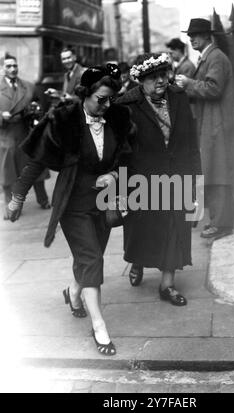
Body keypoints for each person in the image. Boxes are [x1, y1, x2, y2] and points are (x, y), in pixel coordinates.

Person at [7, 65, 134, 356]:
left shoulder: (117, 118)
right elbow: (36, 162)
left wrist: (115, 176)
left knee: (92, 257)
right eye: (101, 99)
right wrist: (17, 197)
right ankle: (99, 327)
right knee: (90, 259)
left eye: (111, 98)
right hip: (73, 205)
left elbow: (127, 158)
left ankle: (73, 293)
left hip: (104, 203)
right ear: (84, 95)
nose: (107, 104)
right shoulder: (64, 119)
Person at [118, 53, 202, 306]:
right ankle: (138, 259)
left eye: (163, 74)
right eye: (153, 77)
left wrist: (194, 180)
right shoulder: (127, 105)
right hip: (141, 178)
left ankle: (167, 284)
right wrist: (122, 189)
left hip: (177, 174)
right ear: (140, 81)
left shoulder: (178, 97)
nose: (161, 81)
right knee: (142, 228)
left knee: (176, 225)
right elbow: (121, 150)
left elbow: (189, 140)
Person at [176, 19, 234, 240]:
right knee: (215, 171)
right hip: (213, 123)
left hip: (218, 125)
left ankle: (221, 223)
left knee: (219, 172)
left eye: (196, 34)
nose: (191, 38)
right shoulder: (210, 57)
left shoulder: (214, 58)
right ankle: (218, 221)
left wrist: (188, 84)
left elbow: (214, 88)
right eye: (190, 35)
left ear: (207, 35)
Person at [0, 53, 50, 220]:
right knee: (8, 174)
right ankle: (11, 206)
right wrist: (1, 116)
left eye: (14, 66)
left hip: (26, 133)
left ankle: (43, 199)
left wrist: (34, 112)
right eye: (8, 66)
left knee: (36, 167)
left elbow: (39, 108)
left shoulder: (28, 86)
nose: (13, 69)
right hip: (6, 135)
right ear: (2, 68)